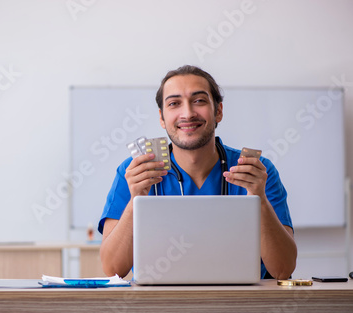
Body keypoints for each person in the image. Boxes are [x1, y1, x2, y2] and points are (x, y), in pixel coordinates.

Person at [98, 65, 297, 280]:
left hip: (241, 306)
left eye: (199, 101)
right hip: (158, 306)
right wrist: (136, 200)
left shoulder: (256, 172)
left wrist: (260, 201)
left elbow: (283, 270)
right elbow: (113, 270)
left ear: (218, 111)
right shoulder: (135, 172)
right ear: (162, 118)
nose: (188, 113)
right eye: (174, 104)